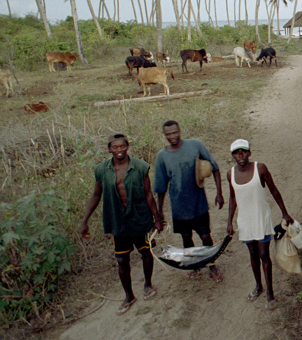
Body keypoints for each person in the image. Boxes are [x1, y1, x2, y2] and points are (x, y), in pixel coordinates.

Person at [79, 134, 164, 315]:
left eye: (122, 146)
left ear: (127, 146)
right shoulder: (101, 170)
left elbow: (149, 194)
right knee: (121, 260)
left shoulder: (140, 167)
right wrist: (84, 220)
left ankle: (148, 284)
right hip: (118, 221)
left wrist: (156, 217)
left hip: (139, 218)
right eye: (115, 147)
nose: (119, 150)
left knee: (146, 252)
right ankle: (129, 295)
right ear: (109, 149)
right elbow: (96, 195)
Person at [154, 120, 226, 282]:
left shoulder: (195, 145)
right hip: (179, 206)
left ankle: (212, 265)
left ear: (180, 130)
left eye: (174, 132)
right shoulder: (162, 157)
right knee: (186, 238)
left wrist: (219, 193)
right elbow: (160, 187)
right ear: (164, 135)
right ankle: (194, 265)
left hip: (198, 204)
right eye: (168, 134)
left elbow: (214, 167)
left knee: (206, 236)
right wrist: (159, 213)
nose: (172, 136)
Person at [226, 139, 294, 308]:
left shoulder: (260, 168)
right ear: (233, 155)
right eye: (236, 152)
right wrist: (229, 222)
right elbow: (233, 198)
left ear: (249, 152)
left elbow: (273, 190)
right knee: (253, 255)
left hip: (261, 218)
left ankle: (270, 292)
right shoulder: (230, 174)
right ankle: (258, 286)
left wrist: (285, 213)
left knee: (264, 254)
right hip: (245, 222)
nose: (240, 155)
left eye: (243, 151)